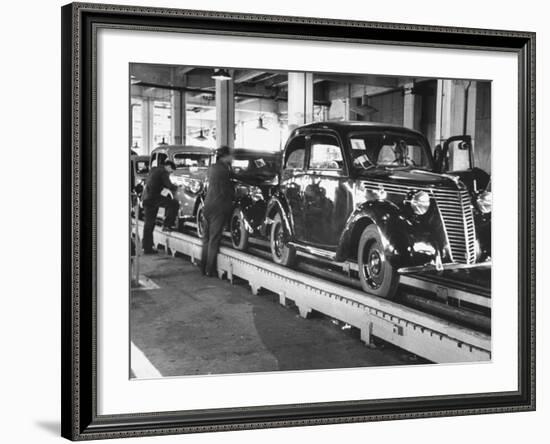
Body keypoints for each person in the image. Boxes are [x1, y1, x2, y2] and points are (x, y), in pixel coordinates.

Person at [201, 145, 234, 276]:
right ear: (225, 157)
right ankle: (210, 270)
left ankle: (203, 267)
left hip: (208, 205)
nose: (232, 158)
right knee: (214, 240)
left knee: (206, 239)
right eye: (230, 156)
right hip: (218, 207)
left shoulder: (211, 168)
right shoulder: (225, 170)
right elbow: (228, 189)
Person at [141, 160, 180, 254]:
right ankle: (167, 225)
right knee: (174, 204)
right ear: (168, 167)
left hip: (146, 197)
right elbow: (169, 185)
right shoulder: (163, 171)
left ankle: (147, 247)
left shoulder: (154, 169)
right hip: (153, 198)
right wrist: (178, 187)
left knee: (149, 223)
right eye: (171, 171)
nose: (171, 173)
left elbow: (155, 182)